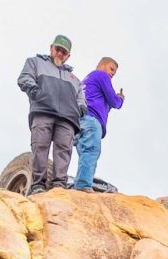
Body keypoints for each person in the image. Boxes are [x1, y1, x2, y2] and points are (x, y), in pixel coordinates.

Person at [18, 35, 87, 194]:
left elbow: (81, 98)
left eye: (64, 52)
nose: (60, 54)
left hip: (68, 119)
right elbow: (24, 78)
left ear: (68, 56)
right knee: (40, 146)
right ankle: (38, 185)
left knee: (63, 150)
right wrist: (36, 93)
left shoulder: (74, 79)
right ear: (51, 48)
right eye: (58, 49)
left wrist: (80, 109)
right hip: (43, 111)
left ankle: (59, 186)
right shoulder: (35, 62)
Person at [73, 58, 125, 192]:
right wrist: (120, 99)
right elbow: (114, 101)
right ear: (102, 65)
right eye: (111, 69)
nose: (112, 74)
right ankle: (83, 186)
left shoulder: (88, 79)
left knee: (85, 154)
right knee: (91, 151)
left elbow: (103, 103)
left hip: (79, 120)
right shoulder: (102, 75)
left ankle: (82, 182)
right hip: (91, 119)